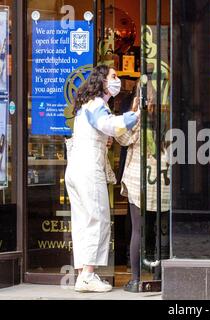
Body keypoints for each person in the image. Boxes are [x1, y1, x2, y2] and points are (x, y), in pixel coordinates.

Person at [65, 65, 140, 293]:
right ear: (103, 82)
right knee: (98, 219)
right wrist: (136, 115)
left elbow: (99, 130)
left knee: (83, 221)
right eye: (114, 77)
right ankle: (88, 274)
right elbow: (109, 124)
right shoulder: (98, 104)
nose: (117, 80)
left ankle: (82, 275)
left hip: (76, 168)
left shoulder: (88, 105)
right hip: (88, 169)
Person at [115, 80, 170, 292]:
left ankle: (136, 279)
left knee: (137, 230)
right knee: (162, 230)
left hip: (139, 178)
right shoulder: (168, 118)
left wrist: (135, 111)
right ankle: (159, 278)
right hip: (164, 178)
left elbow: (122, 138)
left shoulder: (138, 118)